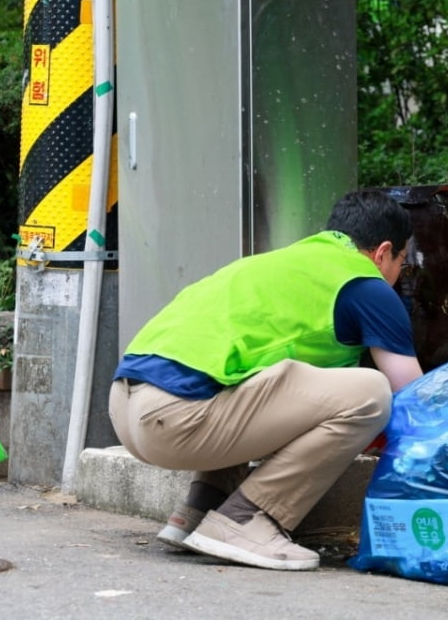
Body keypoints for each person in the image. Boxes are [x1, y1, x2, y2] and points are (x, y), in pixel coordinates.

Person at [108, 189, 424, 571]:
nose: (397, 276)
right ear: (382, 252)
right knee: (372, 393)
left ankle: (200, 510)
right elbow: (412, 393)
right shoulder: (366, 285)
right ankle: (246, 521)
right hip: (177, 418)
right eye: (401, 263)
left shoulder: (283, 263)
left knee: (257, 381)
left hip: (126, 405)